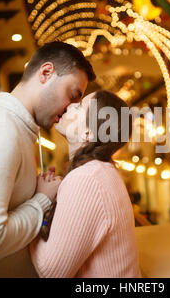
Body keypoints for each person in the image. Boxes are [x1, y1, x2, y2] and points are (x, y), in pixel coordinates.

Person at [0, 42, 95, 277]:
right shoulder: (0, 131)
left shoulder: (16, 129)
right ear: (46, 73)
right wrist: (41, 200)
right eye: (72, 95)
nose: (70, 109)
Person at [29, 90, 142, 277]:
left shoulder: (87, 179)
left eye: (80, 107)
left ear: (88, 133)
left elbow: (50, 271)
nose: (72, 105)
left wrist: (39, 201)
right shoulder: (101, 172)